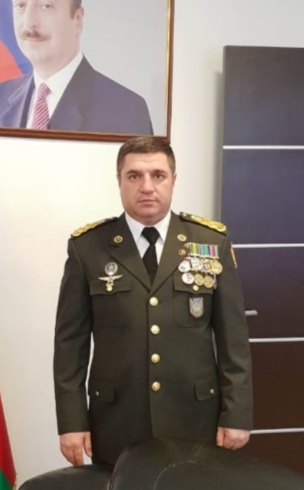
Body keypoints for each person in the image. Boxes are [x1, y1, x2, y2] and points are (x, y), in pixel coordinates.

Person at [54, 136, 253, 466]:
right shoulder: (87, 247)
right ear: (119, 181)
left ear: (173, 180)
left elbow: (234, 339)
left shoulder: (210, 242)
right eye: (134, 176)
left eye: (158, 175)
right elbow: (69, 344)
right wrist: (71, 421)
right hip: (116, 419)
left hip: (194, 417)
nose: (146, 186)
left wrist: (237, 414)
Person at [0, 0, 153, 135]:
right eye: (20, 5)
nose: (28, 22)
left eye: (46, 6)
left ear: (77, 20)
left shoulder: (126, 110)